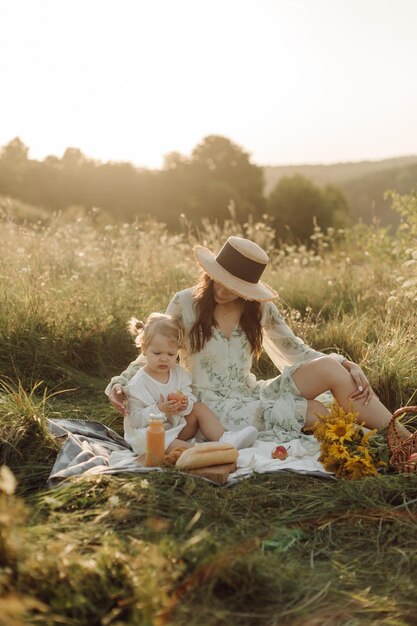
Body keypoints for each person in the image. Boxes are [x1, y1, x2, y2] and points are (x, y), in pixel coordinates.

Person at [106, 236, 410, 444]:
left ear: (249, 288)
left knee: (331, 367)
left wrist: (347, 363)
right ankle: (393, 445)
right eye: (219, 279)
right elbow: (154, 348)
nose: (223, 290)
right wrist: (122, 381)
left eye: (234, 286)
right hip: (210, 405)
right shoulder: (185, 303)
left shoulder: (259, 308)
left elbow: (297, 351)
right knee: (318, 413)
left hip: (250, 392)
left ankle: (404, 439)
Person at [123, 312, 258, 454]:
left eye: (171, 354)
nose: (164, 359)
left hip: (177, 428)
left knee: (198, 407)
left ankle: (225, 439)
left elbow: (189, 397)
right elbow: (134, 420)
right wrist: (159, 409)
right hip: (152, 434)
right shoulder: (138, 384)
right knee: (158, 440)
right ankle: (205, 451)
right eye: (157, 353)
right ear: (144, 349)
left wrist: (185, 404)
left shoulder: (179, 373)